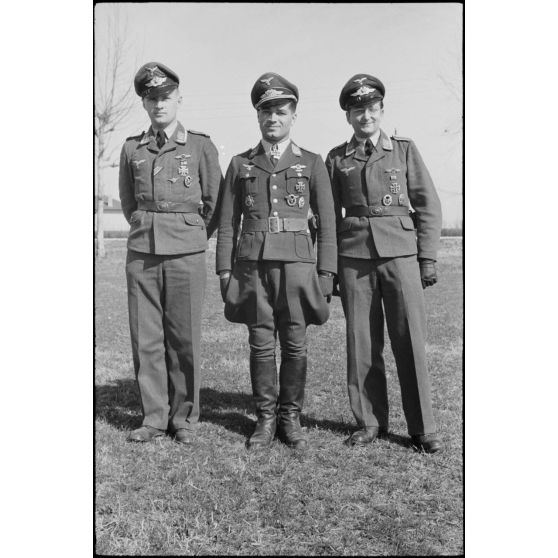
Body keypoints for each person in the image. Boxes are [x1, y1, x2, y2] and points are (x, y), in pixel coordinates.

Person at [216, 73, 337, 451]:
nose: (273, 119)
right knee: (260, 343)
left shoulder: (313, 163)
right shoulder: (240, 164)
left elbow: (329, 225)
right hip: (252, 267)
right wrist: (224, 271)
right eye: (266, 111)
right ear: (257, 117)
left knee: (296, 344)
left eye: (281, 111)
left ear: (293, 116)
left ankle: (290, 418)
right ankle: (265, 419)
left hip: (299, 267)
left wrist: (326, 275)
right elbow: (226, 224)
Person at [325, 74, 443, 453]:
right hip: (354, 257)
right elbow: (326, 217)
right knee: (362, 341)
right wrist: (327, 267)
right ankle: (370, 422)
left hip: (401, 254)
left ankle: (422, 427)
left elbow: (427, 205)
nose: (365, 116)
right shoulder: (336, 158)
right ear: (349, 116)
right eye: (357, 110)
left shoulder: (404, 150)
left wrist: (427, 258)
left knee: (409, 339)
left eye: (371, 108)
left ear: (380, 110)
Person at [118, 62, 222, 444]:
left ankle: (185, 418)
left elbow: (214, 203)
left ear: (179, 98)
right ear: (144, 104)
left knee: (184, 337)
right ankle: (154, 417)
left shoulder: (200, 146)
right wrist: (152, 230)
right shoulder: (132, 148)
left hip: (186, 252)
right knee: (145, 336)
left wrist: (190, 235)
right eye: (151, 98)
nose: (159, 104)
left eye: (165, 96)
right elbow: (130, 206)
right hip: (143, 251)